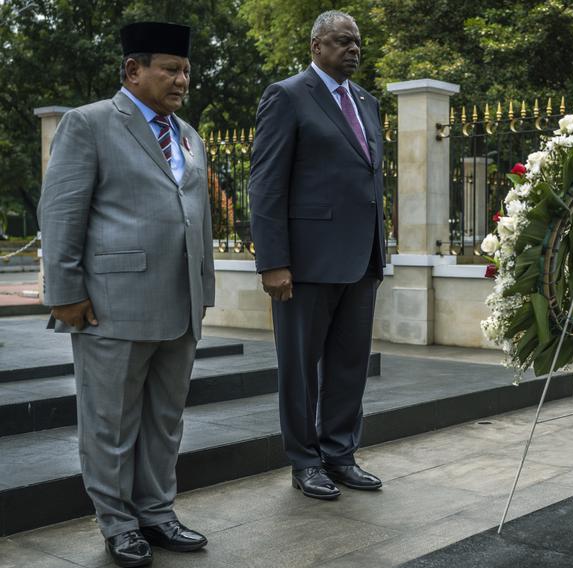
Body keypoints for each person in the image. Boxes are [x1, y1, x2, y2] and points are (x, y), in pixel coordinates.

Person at [37, 21, 213, 567]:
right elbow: (62, 210)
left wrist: (203, 289)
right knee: (110, 423)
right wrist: (63, 292)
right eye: (170, 68)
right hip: (111, 305)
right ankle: (118, 524)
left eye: (185, 70)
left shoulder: (189, 134)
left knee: (165, 419)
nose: (181, 79)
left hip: (180, 305)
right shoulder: (88, 124)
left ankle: (158, 513)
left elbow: (195, 219)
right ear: (133, 70)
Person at [248, 10, 385, 501]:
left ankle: (340, 455)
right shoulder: (287, 96)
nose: (353, 49)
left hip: (361, 261)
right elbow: (265, 185)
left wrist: (378, 253)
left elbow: (370, 184)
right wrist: (273, 261)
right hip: (304, 265)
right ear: (315, 46)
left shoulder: (367, 102)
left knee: (350, 365)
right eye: (342, 41)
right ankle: (305, 462)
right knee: (301, 369)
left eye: (357, 42)